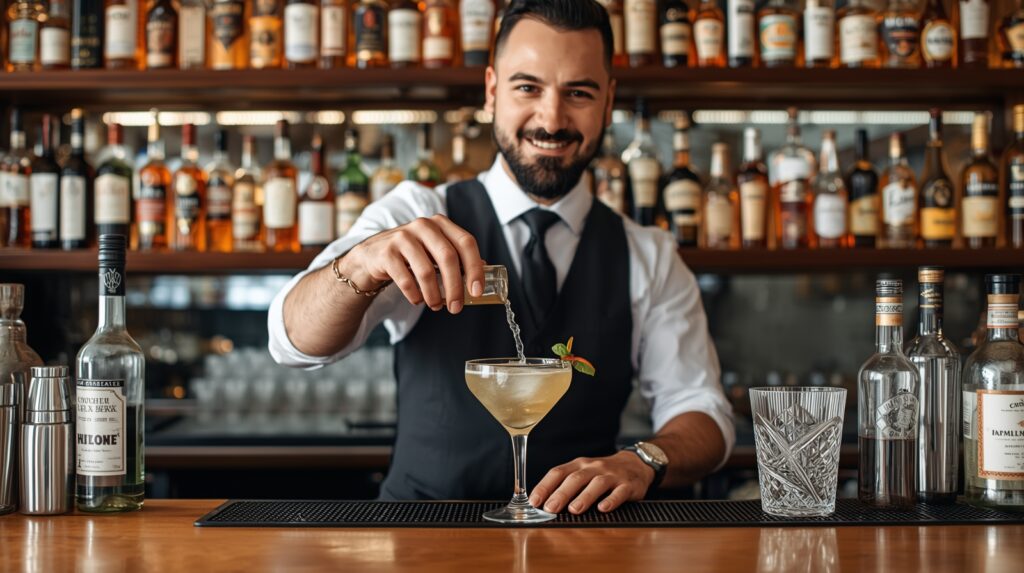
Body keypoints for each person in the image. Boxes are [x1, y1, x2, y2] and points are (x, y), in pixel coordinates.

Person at [268, 0, 734, 515]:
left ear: (608, 102)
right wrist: (361, 264)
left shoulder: (649, 253)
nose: (551, 119)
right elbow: (293, 341)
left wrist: (643, 460)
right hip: (420, 534)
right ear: (491, 91)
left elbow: (703, 413)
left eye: (578, 93)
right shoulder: (416, 211)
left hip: (583, 540)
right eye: (528, 88)